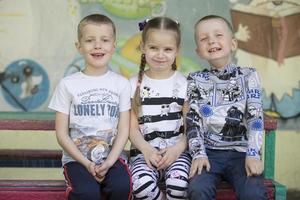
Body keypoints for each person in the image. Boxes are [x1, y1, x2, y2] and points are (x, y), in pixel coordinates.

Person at [48, 14, 132, 200]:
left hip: (112, 158)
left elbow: (124, 129)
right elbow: (62, 133)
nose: (97, 45)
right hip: (77, 160)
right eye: (89, 40)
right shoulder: (67, 84)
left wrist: (110, 161)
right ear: (79, 46)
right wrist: (86, 163)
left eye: (104, 40)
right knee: (87, 194)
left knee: (122, 186)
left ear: (113, 46)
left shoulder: (121, 84)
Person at [186, 15, 267, 200]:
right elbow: (193, 121)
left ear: (233, 43)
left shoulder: (249, 76)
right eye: (204, 38)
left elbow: (256, 118)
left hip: (242, 153)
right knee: (198, 189)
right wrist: (198, 154)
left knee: (253, 192)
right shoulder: (194, 80)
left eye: (218, 35)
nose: (212, 41)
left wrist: (253, 154)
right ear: (199, 51)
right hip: (209, 153)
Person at [129, 17, 191, 200]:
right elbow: (131, 129)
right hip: (144, 155)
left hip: (177, 154)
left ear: (177, 50)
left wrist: (178, 149)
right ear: (142, 47)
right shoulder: (133, 84)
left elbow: (191, 128)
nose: (160, 54)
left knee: (179, 185)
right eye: (153, 47)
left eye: (168, 49)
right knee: (142, 186)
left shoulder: (184, 84)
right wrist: (147, 150)